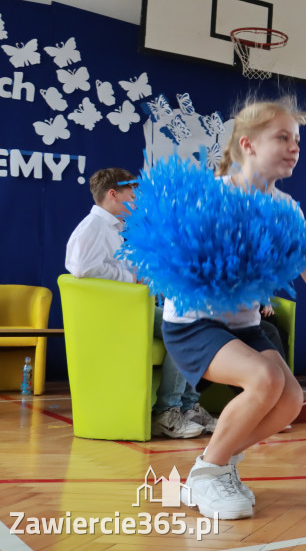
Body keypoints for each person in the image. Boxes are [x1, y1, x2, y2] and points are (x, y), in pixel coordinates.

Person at [162, 95, 306, 519]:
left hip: (244, 325)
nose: (294, 146)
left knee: (290, 402)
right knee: (264, 379)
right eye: (282, 136)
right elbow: (173, 258)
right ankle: (209, 473)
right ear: (246, 144)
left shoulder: (288, 209)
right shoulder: (211, 197)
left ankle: (215, 463)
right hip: (195, 323)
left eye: (298, 139)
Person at [65, 167, 214, 440]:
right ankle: (166, 412)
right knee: (186, 328)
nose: (136, 202)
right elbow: (82, 268)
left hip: (130, 309)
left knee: (197, 325)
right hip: (115, 314)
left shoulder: (114, 228)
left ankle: (187, 406)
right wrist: (130, 277)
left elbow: (123, 267)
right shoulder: (93, 227)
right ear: (113, 194)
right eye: (131, 195)